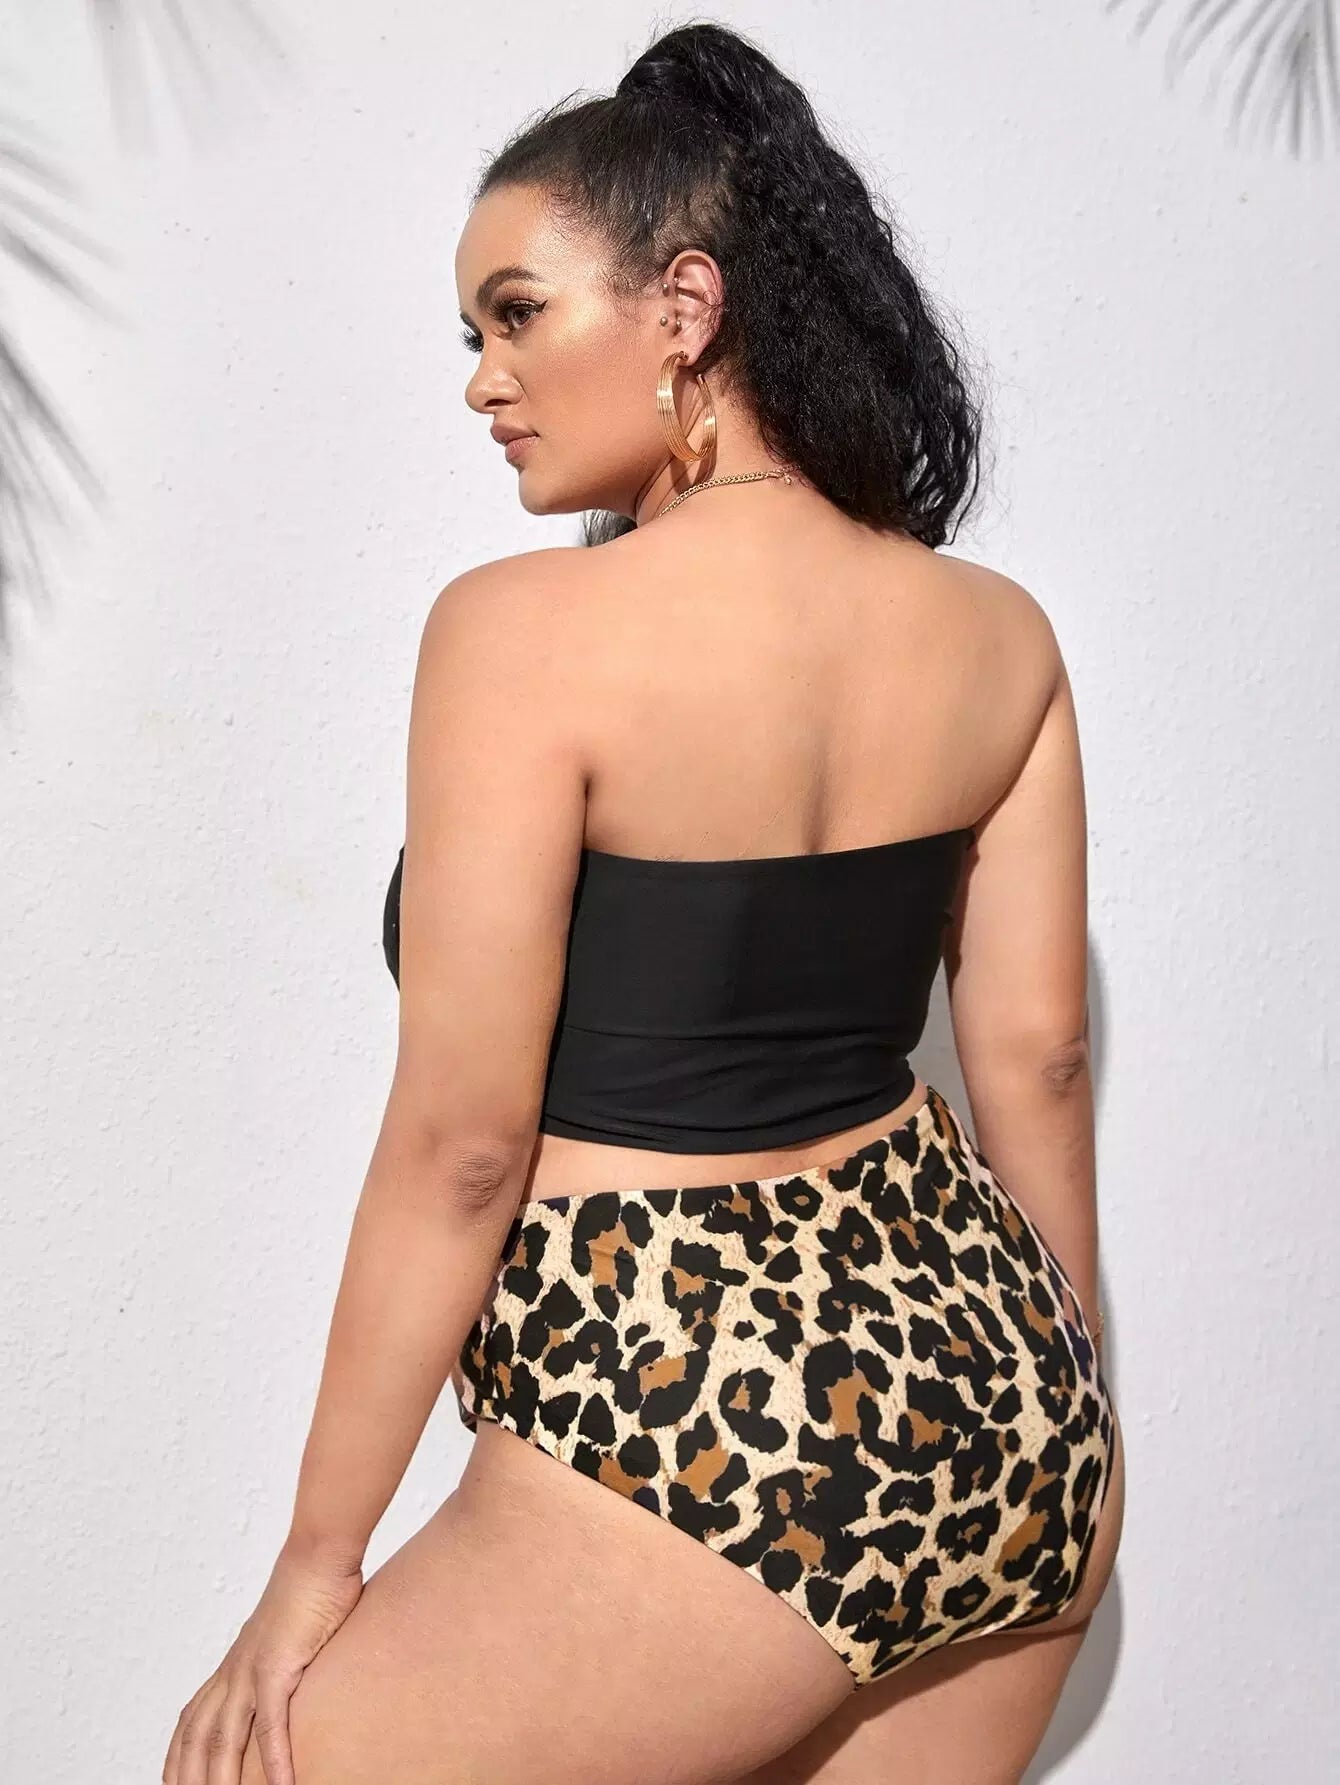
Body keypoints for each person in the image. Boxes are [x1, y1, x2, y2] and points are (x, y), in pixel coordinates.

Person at [164, 20, 1124, 1785]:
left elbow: (465, 1145)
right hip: (1007, 1399)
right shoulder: (1000, 633)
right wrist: (1059, 1381)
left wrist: (315, 1568)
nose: (484, 379)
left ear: (685, 307)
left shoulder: (523, 635)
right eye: (474, 335)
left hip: (691, 1423)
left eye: (517, 314)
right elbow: (1041, 1059)